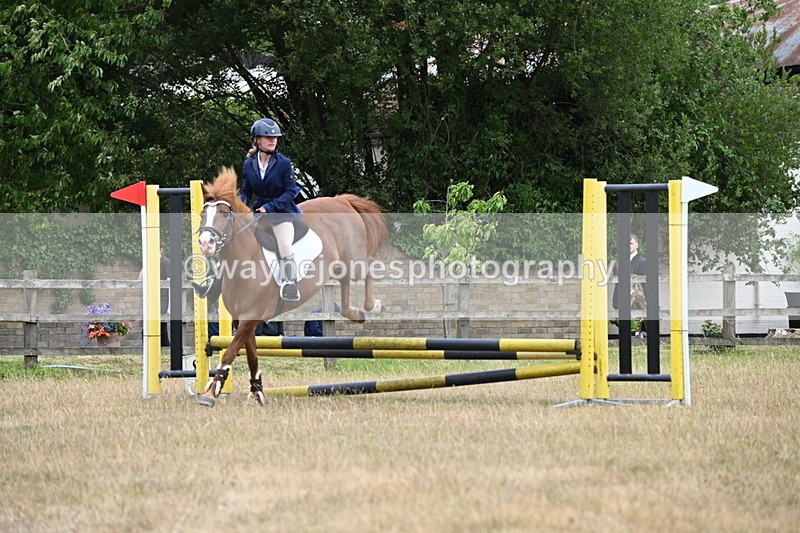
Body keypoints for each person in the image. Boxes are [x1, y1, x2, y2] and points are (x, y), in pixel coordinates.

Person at [240, 117, 303, 302]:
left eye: (275, 137)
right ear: (256, 140)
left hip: (282, 213)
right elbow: (246, 190)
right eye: (267, 137)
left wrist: (270, 207)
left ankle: (290, 283)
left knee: (284, 245)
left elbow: (291, 191)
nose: (272, 140)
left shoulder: (284, 163)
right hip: (258, 213)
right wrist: (240, 205)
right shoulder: (248, 165)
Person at [612, 234, 646, 310]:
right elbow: (617, 284)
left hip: (638, 304)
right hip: (622, 303)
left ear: (637, 245)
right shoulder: (618, 263)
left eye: (631, 243)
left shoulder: (644, 262)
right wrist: (615, 301)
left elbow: (647, 285)